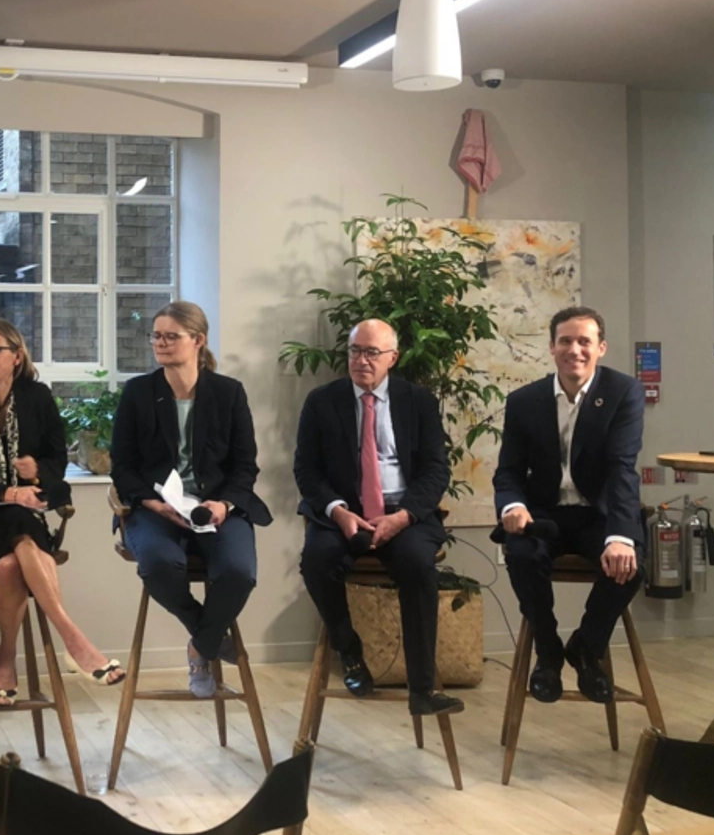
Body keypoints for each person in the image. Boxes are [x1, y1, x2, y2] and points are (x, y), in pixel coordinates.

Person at [0, 318, 122, 706]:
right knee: (17, 516)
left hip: (20, 522)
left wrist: (39, 473)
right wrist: (8, 493)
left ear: (16, 356)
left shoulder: (37, 399)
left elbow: (57, 463)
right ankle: (73, 638)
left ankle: (5, 657)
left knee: (9, 566)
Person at [293, 319, 463, 716]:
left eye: (372, 353)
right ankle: (350, 652)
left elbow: (436, 470)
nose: (361, 360)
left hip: (402, 513)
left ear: (393, 358)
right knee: (316, 561)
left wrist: (403, 516)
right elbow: (306, 471)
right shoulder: (322, 401)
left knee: (418, 565)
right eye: (355, 351)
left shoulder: (418, 401)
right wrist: (338, 511)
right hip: (344, 514)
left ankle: (422, 689)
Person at [109, 301, 271, 699]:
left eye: (170, 336)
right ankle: (210, 635)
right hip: (155, 509)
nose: (160, 344)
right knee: (161, 563)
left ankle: (200, 645)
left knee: (238, 572)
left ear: (197, 340)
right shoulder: (139, 392)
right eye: (156, 336)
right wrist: (151, 503)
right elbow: (123, 466)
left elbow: (245, 467)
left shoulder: (228, 393)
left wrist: (224, 505)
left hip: (215, 507)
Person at [494, 305, 645, 704]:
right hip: (544, 513)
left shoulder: (623, 393)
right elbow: (508, 471)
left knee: (631, 566)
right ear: (551, 347)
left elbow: (622, 468)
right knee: (522, 555)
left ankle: (587, 649)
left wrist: (620, 537)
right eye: (565, 341)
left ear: (601, 348)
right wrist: (512, 506)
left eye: (584, 341)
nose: (574, 349)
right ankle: (547, 653)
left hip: (599, 514)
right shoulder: (524, 401)